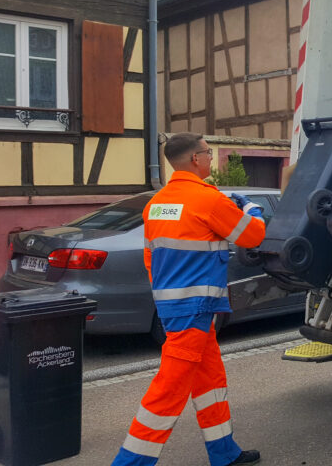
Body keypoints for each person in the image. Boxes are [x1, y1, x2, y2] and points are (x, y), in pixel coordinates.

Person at [112, 133, 265, 466]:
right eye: (208, 153)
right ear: (195, 159)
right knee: (169, 389)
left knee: (210, 381)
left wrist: (170, 302)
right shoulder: (207, 200)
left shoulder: (158, 204)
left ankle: (224, 452)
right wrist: (253, 209)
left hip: (175, 307)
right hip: (198, 308)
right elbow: (253, 235)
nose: (211, 158)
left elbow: (150, 258)